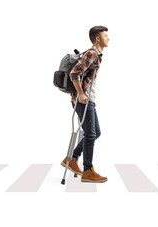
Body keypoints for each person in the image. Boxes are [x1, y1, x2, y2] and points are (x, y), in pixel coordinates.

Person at [60, 26, 109, 183]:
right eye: (105, 36)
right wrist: (81, 93)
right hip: (83, 100)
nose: (108, 38)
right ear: (97, 38)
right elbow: (75, 73)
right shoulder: (91, 53)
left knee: (96, 133)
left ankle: (73, 159)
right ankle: (88, 170)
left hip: (89, 99)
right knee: (90, 134)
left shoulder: (96, 54)